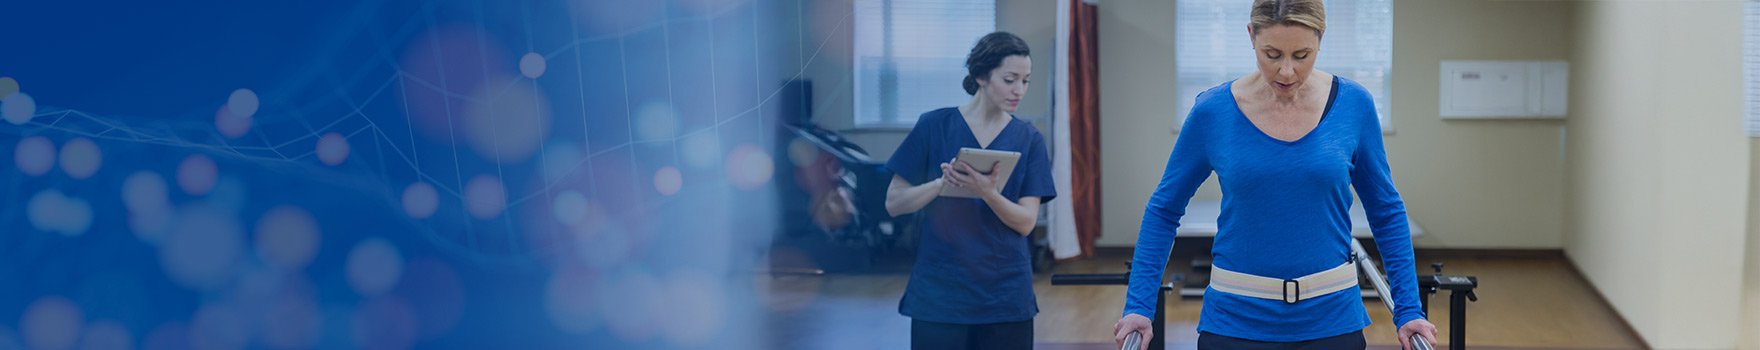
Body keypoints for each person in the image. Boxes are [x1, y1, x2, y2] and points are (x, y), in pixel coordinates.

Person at [1112, 0, 1438, 349]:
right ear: (1251, 36)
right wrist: (1140, 306)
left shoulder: (1354, 104)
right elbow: (1164, 209)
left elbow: (1386, 210)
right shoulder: (1212, 111)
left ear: (1321, 38)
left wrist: (1408, 309)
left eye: (1302, 55)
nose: (1286, 72)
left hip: (1331, 319)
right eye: (1272, 54)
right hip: (1235, 320)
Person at [883, 31, 1056, 350]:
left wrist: (987, 192)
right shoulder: (933, 126)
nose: (1019, 90)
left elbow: (1026, 222)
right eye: (1010, 79)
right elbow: (894, 203)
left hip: (1004, 297)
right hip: (939, 295)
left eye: (1026, 81)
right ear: (980, 76)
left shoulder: (1029, 140)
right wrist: (941, 184)